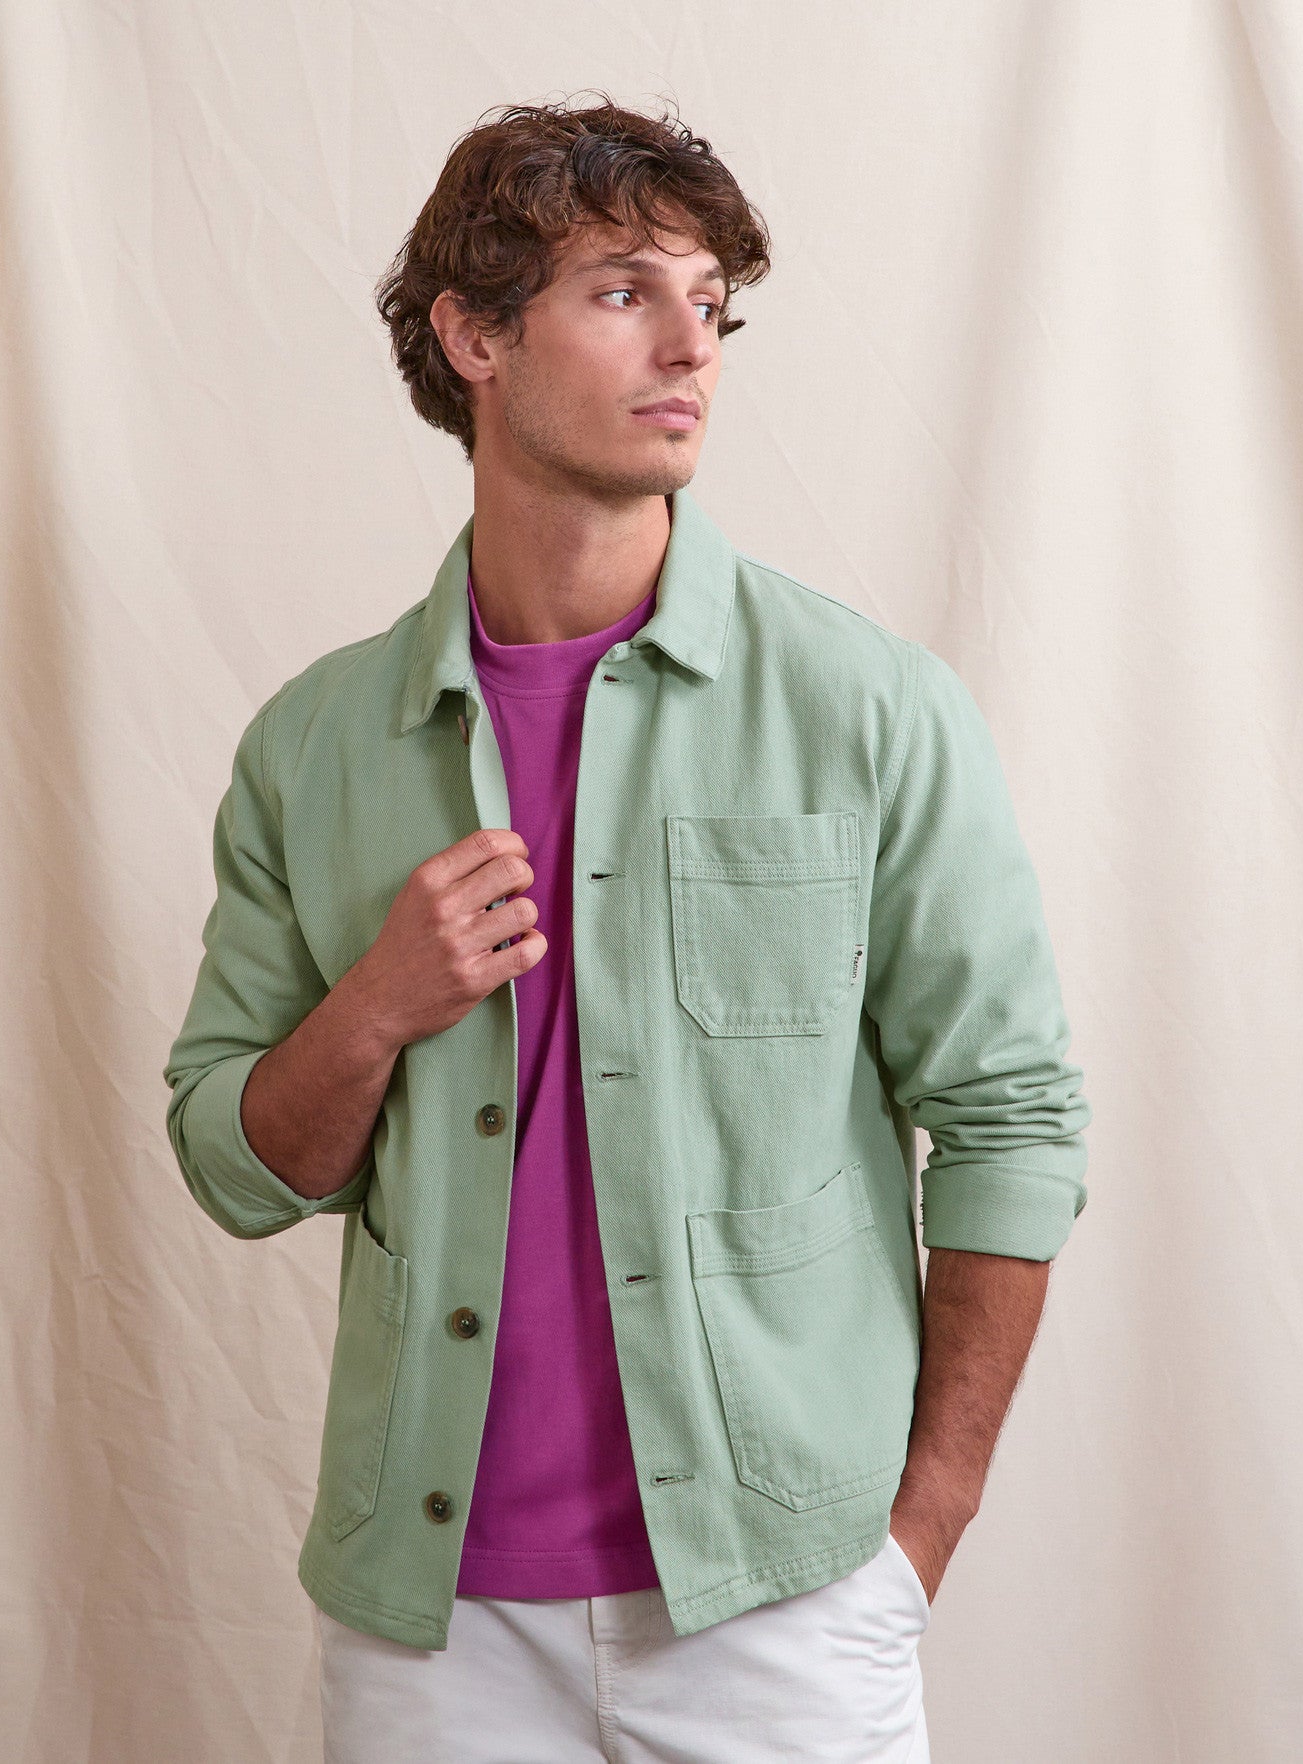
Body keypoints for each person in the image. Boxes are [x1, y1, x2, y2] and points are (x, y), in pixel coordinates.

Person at [163, 93, 1091, 1764]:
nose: (690, 345)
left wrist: (918, 1540)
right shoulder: (314, 747)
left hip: (784, 1604)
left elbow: (1012, 1117)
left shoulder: (868, 709)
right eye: (622, 293)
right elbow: (235, 1168)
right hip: (432, 1629)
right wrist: (374, 1006)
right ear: (474, 339)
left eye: (709, 301)